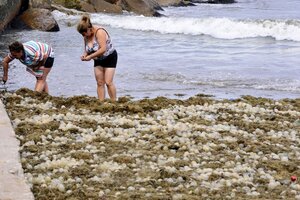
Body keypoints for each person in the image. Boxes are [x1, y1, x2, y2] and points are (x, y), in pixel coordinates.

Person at [77, 15, 118, 101]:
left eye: (84, 33)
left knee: (108, 82)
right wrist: (85, 55)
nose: (83, 36)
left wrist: (90, 57)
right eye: (81, 34)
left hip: (109, 57)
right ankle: (101, 102)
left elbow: (103, 49)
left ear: (89, 29)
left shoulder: (99, 32)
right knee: (99, 82)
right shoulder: (86, 36)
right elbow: (87, 49)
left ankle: (114, 102)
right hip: (98, 59)